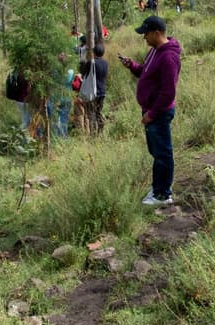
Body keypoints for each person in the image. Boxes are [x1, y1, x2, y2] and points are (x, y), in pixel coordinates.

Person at [120, 15, 181, 206]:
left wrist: (151, 114)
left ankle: (163, 194)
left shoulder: (168, 57)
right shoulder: (154, 51)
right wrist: (132, 66)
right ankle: (158, 188)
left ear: (156, 33)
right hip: (151, 111)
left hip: (158, 113)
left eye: (146, 33)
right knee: (156, 152)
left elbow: (168, 92)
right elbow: (144, 72)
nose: (144, 37)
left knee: (163, 153)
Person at [76, 44, 109, 134]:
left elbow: (82, 71)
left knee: (91, 113)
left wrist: (82, 60)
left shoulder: (91, 62)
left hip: (93, 92)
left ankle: (93, 134)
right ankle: (100, 131)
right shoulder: (105, 63)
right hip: (102, 91)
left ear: (94, 52)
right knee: (99, 111)